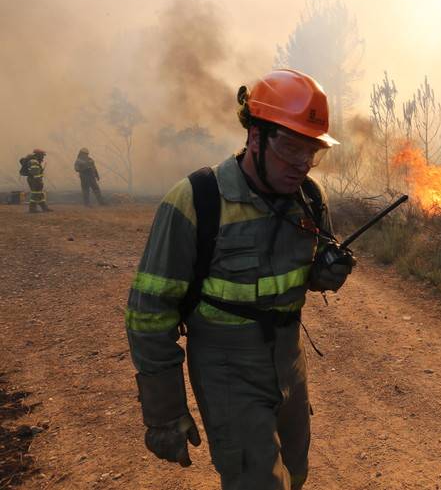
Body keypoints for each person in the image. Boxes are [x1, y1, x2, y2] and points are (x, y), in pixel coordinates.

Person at [125, 69, 355, 490]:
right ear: (255, 137)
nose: (303, 163)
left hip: (289, 358)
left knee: (295, 471)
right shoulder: (196, 200)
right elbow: (149, 313)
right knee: (257, 482)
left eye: (313, 151)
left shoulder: (309, 197)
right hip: (227, 365)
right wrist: (163, 412)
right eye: (290, 148)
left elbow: (307, 270)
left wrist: (326, 271)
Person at [22, 149, 51, 213]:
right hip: (34, 180)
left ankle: (44, 208)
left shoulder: (35, 161)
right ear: (38, 155)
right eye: (42, 155)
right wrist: (39, 181)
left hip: (35, 179)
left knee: (40, 194)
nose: (43, 157)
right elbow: (35, 172)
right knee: (35, 194)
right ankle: (32, 209)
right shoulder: (34, 161)